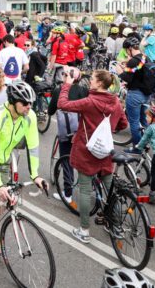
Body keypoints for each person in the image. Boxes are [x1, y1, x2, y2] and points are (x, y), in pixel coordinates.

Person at [57, 69, 128, 243]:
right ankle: (117, 226)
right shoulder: (116, 102)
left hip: (86, 151)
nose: (90, 82)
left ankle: (84, 230)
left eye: (93, 79)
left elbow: (63, 104)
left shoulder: (90, 101)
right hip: (105, 151)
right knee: (110, 189)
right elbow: (123, 123)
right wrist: (107, 130)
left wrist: (66, 85)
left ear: (99, 83)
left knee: (85, 189)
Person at [0, 81, 48, 208]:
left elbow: (33, 147)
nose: (29, 106)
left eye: (31, 103)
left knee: (3, 203)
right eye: (24, 103)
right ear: (13, 101)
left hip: (4, 161)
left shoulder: (30, 116)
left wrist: (35, 176)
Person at [48, 67, 89, 202]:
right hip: (81, 131)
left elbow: (51, 110)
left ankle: (68, 193)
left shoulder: (59, 90)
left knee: (66, 159)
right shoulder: (84, 91)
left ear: (67, 77)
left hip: (67, 130)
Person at [116, 37, 153, 146]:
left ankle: (138, 147)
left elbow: (127, 77)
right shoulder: (145, 57)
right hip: (146, 94)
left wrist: (119, 72)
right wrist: (126, 65)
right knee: (143, 119)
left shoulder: (133, 61)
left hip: (135, 95)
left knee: (134, 122)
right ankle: (146, 142)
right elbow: (138, 72)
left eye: (126, 50)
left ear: (130, 48)